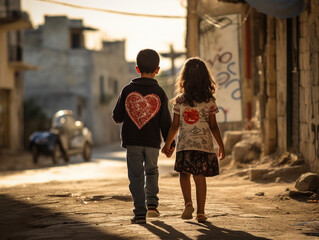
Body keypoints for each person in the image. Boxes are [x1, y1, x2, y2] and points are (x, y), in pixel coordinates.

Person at [112, 49, 174, 224]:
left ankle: (140, 212)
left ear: (137, 69)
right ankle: (152, 206)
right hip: (153, 143)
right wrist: (170, 143)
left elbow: (117, 117)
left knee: (136, 176)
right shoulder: (160, 92)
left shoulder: (127, 90)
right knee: (152, 171)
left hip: (132, 142)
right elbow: (166, 122)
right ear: (158, 70)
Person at [161, 57, 225, 223]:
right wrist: (221, 146)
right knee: (199, 176)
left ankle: (188, 203)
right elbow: (213, 126)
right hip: (204, 146)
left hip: (185, 146)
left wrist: (167, 145)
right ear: (205, 78)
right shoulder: (209, 101)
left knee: (184, 174)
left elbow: (174, 127)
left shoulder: (179, 101)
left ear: (185, 78)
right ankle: (201, 213)